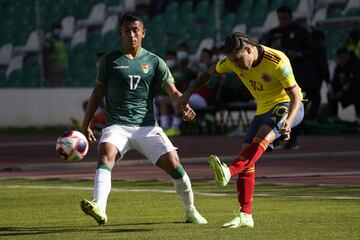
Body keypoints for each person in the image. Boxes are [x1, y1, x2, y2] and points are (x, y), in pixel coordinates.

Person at [79, 12, 207, 225]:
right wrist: (86, 123)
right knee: (105, 156)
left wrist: (182, 105)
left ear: (143, 33)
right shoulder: (108, 60)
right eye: (127, 31)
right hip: (116, 125)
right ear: (120, 33)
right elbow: (97, 93)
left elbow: (173, 92)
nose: (131, 35)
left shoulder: (155, 62)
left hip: (146, 126)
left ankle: (190, 210)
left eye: (135, 30)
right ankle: (99, 207)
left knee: (175, 165)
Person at [176, 32, 304, 228]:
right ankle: (246, 215)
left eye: (237, 59)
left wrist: (289, 120)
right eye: (232, 60)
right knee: (247, 156)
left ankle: (229, 171)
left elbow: (296, 95)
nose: (235, 64)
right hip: (263, 109)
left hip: (287, 105)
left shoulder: (277, 60)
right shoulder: (231, 61)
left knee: (262, 137)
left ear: (249, 49)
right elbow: (206, 75)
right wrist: (186, 95)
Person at [265, 5, 311, 149]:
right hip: (276, 79)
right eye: (280, 19)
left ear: (291, 17)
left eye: (285, 18)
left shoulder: (301, 31)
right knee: (276, 107)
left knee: (296, 106)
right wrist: (272, 47)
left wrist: (298, 54)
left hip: (296, 76)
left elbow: (311, 50)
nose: (283, 21)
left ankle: (292, 139)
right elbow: (263, 52)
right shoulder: (273, 33)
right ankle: (275, 140)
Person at [327, 48, 360, 126]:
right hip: (346, 92)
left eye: (343, 57)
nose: (341, 60)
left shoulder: (356, 64)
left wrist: (343, 92)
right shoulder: (339, 67)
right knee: (330, 94)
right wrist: (332, 90)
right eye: (339, 58)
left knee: (357, 91)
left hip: (355, 91)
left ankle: (358, 118)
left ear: (348, 56)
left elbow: (356, 81)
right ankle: (334, 117)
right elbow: (335, 81)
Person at [42, 22, 69, 87]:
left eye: (59, 29)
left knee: (59, 88)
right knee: (55, 88)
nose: (58, 30)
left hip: (61, 68)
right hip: (54, 68)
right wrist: (45, 70)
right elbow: (45, 56)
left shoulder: (60, 41)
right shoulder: (49, 41)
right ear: (52, 30)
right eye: (56, 29)